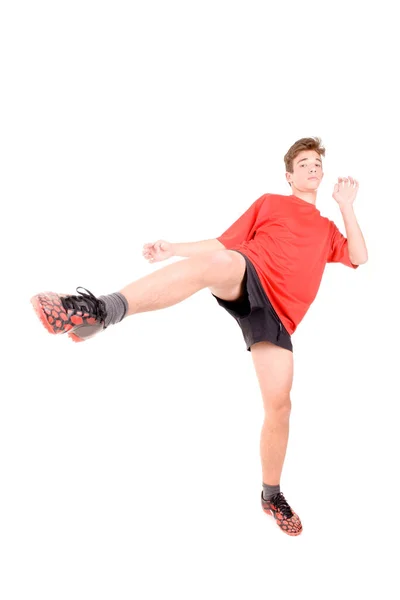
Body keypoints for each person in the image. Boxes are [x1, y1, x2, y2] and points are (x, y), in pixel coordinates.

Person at [31, 137, 368, 537]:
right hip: (248, 271)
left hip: (278, 316)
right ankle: (100, 309)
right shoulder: (270, 203)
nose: (313, 167)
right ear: (289, 175)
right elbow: (224, 243)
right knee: (221, 262)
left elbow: (359, 256)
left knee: (280, 406)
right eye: (304, 163)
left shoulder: (328, 229)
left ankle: (270, 494)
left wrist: (346, 206)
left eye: (317, 163)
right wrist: (174, 248)